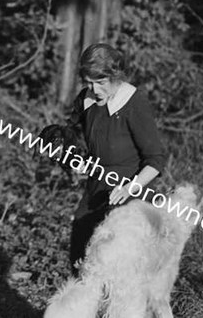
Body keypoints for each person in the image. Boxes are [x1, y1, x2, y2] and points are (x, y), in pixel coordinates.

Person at [66, 42, 167, 277]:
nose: (95, 89)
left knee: (116, 265)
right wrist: (77, 162)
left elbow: (155, 159)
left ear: (116, 76)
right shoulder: (86, 99)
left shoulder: (134, 104)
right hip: (96, 190)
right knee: (81, 254)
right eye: (89, 83)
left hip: (130, 194)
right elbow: (78, 138)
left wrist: (130, 188)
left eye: (101, 83)